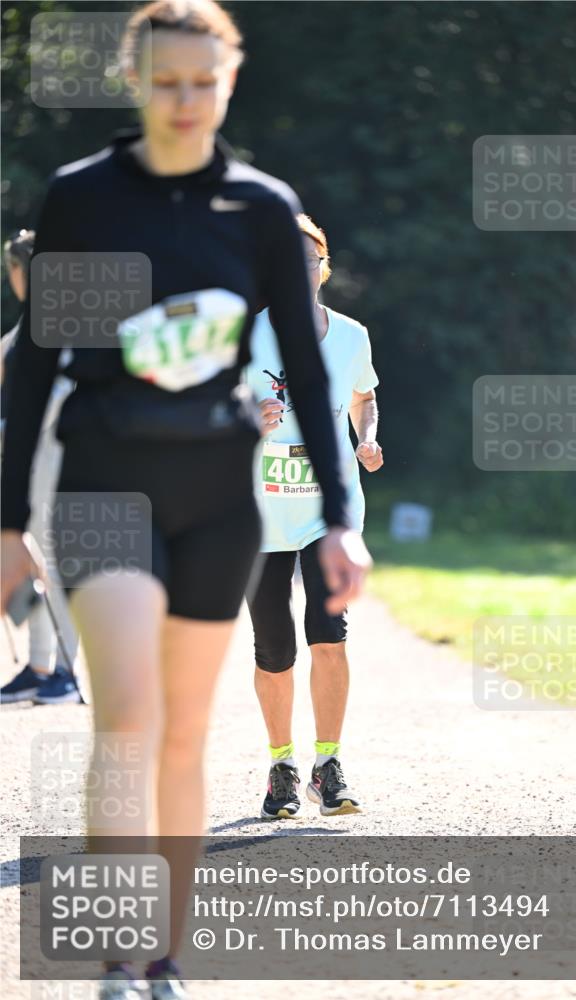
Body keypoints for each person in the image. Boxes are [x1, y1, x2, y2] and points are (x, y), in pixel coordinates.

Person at [0, 2, 371, 998]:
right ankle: (119, 954)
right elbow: (37, 365)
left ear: (229, 82)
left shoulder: (257, 208)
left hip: (218, 495)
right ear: (136, 81)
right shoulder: (81, 198)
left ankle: (163, 951)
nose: (184, 101)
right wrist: (4, 524)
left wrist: (342, 516)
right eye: (165, 82)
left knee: (181, 732)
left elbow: (306, 362)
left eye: (203, 82)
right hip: (105, 482)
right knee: (125, 717)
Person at [245, 214, 383, 819]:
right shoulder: (242, 337)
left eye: (308, 259)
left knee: (329, 636)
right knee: (274, 648)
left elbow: (363, 395)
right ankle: (282, 766)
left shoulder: (352, 336)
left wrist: (367, 438)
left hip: (329, 510)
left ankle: (328, 766)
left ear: (323, 266)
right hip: (258, 513)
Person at [0, 229, 80, 705]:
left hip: (54, 456)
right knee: (28, 555)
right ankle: (39, 665)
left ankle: (66, 671)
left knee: (54, 557)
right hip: (27, 458)